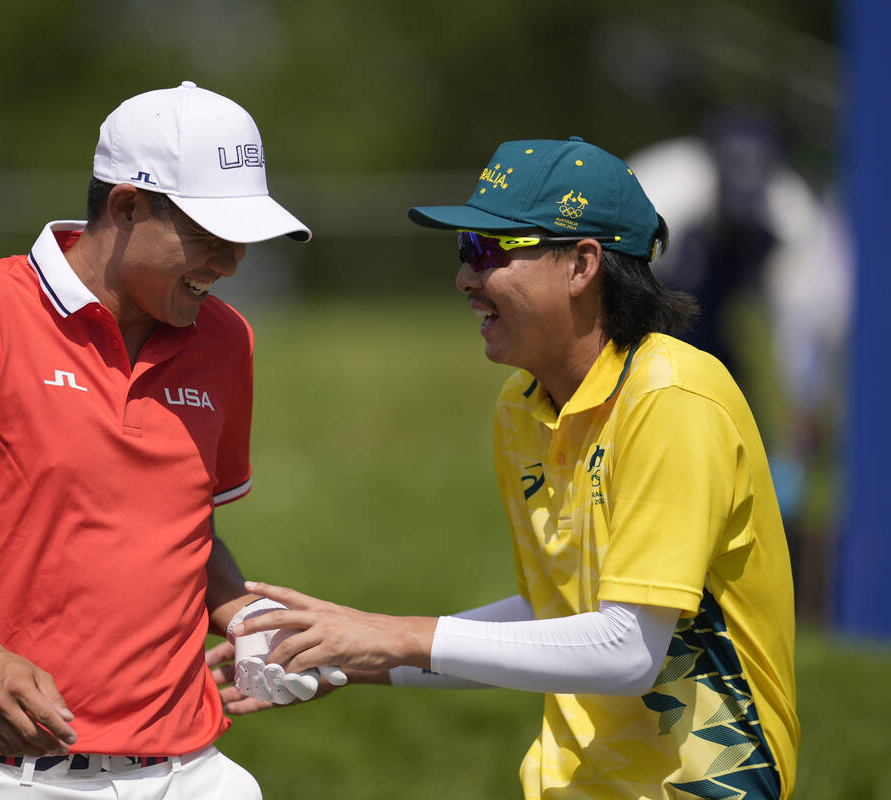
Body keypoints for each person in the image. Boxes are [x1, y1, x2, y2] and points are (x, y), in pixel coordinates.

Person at [226, 137, 800, 798]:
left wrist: (392, 636)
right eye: (464, 250)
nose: (465, 279)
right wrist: (345, 654)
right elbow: (551, 621)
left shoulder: (672, 399)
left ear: (583, 263)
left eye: (491, 250)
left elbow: (628, 650)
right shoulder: (522, 406)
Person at [0, 81, 313, 799]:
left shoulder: (228, 341)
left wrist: (247, 618)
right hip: (0, 777)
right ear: (127, 206)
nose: (231, 262)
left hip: (194, 772)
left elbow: (186, 529)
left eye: (242, 239)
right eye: (210, 235)